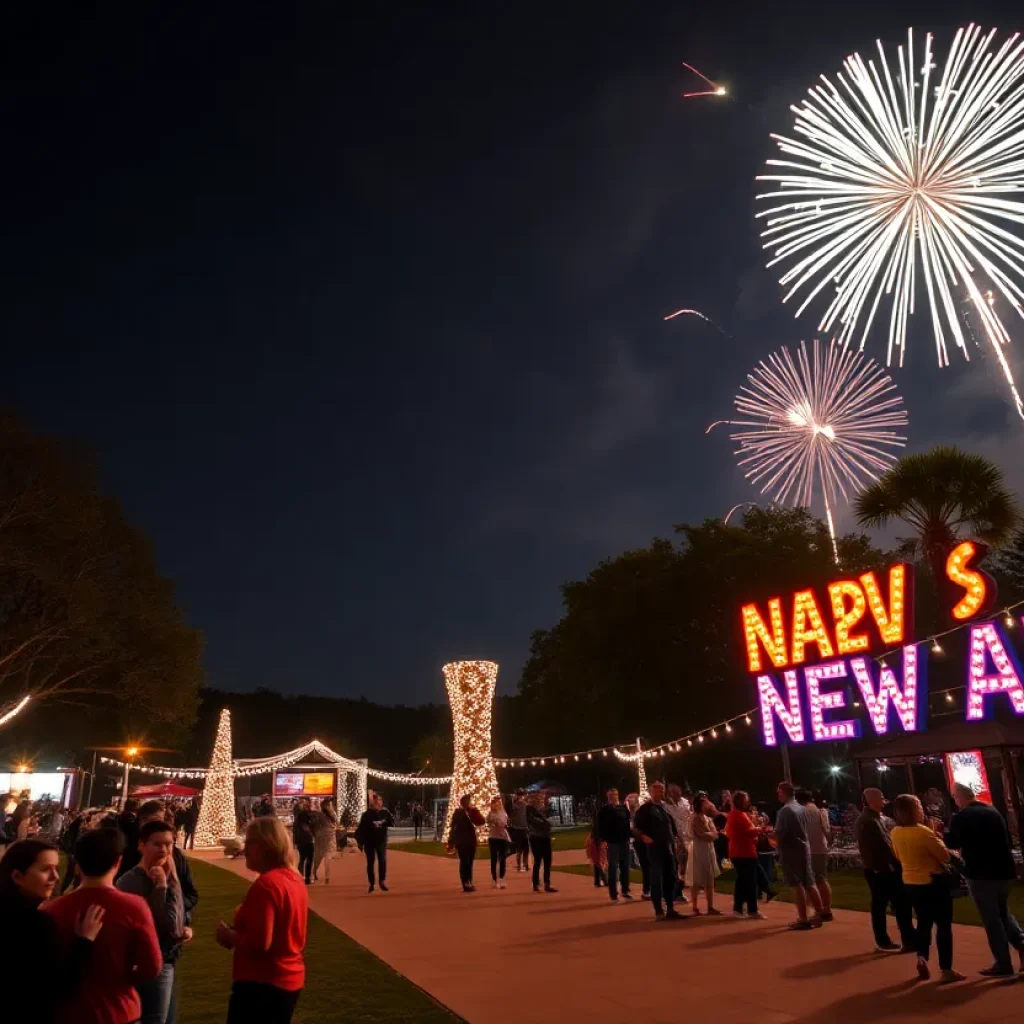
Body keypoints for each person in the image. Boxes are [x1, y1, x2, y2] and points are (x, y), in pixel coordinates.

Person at [43, 827, 163, 1024]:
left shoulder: (52, 910)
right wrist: (120, 980)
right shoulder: (134, 907)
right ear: (118, 862)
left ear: (77, 865)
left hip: (69, 1012)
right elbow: (151, 966)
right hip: (120, 1009)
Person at [0, 838, 105, 1023]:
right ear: (17, 876)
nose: (55, 876)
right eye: (45, 869)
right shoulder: (38, 924)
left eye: (55, 868)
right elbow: (63, 984)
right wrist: (85, 941)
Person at [215, 817, 308, 1024]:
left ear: (264, 846)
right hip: (288, 978)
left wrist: (228, 935)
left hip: (261, 983)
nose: (245, 850)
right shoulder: (293, 878)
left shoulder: (267, 885)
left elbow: (260, 943)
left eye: (249, 843)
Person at [117, 819, 191, 1024]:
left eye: (169, 844)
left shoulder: (167, 873)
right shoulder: (131, 881)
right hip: (150, 961)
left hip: (169, 958)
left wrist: (185, 925)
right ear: (142, 845)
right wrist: (162, 886)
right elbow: (167, 924)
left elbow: (176, 919)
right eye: (157, 844)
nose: (164, 849)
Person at [945, 782, 1023, 976]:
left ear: (959, 797)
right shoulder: (993, 812)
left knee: (992, 918)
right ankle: (1021, 942)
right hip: (1004, 871)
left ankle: (1003, 963)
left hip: (980, 874)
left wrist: (941, 831)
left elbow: (952, 843)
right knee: (1003, 911)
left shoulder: (960, 816)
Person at [890, 793, 964, 984]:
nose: (922, 809)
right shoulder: (923, 832)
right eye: (919, 807)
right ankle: (946, 969)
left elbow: (898, 856)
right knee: (943, 925)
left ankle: (922, 957)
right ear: (914, 810)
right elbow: (945, 857)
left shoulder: (896, 832)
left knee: (923, 922)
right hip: (933, 882)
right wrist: (938, 836)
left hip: (911, 882)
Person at [856, 787, 915, 953]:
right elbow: (878, 848)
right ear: (871, 800)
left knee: (887, 904)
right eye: (881, 798)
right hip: (880, 870)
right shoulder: (868, 820)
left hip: (881, 869)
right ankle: (895, 939)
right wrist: (889, 866)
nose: (884, 800)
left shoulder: (874, 818)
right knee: (891, 904)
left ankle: (901, 937)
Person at [774, 781, 825, 930]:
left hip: (790, 850)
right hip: (804, 847)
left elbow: (780, 833)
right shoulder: (801, 808)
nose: (777, 795)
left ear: (784, 792)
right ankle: (819, 913)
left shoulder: (785, 810)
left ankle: (803, 918)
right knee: (809, 882)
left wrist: (767, 835)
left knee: (797, 885)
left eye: (779, 792)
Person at [634, 781, 683, 921]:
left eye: (662, 790)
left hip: (668, 848)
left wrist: (678, 841)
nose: (660, 793)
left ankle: (670, 908)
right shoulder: (645, 809)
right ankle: (658, 910)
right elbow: (636, 828)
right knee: (657, 879)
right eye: (657, 790)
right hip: (655, 849)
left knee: (671, 878)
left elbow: (672, 828)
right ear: (651, 792)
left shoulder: (664, 808)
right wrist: (644, 837)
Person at [727, 791, 765, 919]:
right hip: (742, 852)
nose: (747, 802)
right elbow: (749, 831)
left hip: (744, 851)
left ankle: (746, 909)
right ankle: (746, 909)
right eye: (746, 799)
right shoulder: (737, 815)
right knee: (747, 882)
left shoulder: (738, 814)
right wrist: (761, 828)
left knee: (746, 881)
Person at [796, 789, 833, 919]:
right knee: (822, 879)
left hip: (808, 850)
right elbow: (827, 832)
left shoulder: (802, 812)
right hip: (821, 849)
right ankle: (826, 909)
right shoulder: (820, 811)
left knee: (808, 883)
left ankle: (814, 910)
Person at [596, 788, 633, 903]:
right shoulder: (604, 810)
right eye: (610, 795)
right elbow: (599, 826)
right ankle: (613, 894)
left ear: (617, 795)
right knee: (613, 868)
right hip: (612, 842)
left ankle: (625, 891)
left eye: (615, 795)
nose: (613, 797)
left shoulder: (623, 808)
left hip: (624, 841)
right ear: (607, 797)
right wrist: (602, 840)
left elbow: (627, 823)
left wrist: (630, 835)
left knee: (625, 867)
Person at [686, 794, 721, 915]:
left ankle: (710, 906)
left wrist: (711, 834)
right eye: (704, 803)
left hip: (708, 849)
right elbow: (702, 834)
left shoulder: (706, 818)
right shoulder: (695, 818)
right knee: (696, 877)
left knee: (709, 877)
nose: (707, 805)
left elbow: (714, 833)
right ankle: (695, 906)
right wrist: (711, 834)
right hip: (698, 849)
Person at [355, 793, 394, 893]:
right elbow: (361, 828)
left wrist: (383, 822)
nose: (378, 802)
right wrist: (359, 841)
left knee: (382, 860)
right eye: (376, 800)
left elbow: (392, 823)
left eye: (380, 800)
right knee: (370, 862)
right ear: (372, 802)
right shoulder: (367, 814)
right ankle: (372, 883)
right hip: (369, 841)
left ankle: (382, 881)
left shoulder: (385, 812)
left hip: (381, 840)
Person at [448, 794, 485, 892]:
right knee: (464, 862)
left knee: (470, 862)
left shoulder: (473, 811)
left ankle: (470, 881)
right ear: (462, 802)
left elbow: (481, 821)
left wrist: (476, 813)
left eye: (469, 801)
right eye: (467, 801)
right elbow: (453, 827)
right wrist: (451, 841)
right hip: (462, 841)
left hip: (471, 841)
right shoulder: (458, 813)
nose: (468, 802)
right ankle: (465, 882)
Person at [664, 785, 691, 903]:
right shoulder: (664, 805)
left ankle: (678, 890)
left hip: (687, 838)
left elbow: (689, 817)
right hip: (674, 839)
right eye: (673, 791)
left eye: (677, 791)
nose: (676, 793)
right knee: (675, 866)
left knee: (685, 867)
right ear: (669, 793)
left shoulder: (685, 802)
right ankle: (676, 892)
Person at [526, 793, 557, 893]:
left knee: (547, 861)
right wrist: (545, 823)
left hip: (545, 837)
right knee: (538, 861)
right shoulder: (530, 811)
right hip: (536, 838)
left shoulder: (542, 811)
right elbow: (539, 823)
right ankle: (536, 883)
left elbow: (548, 824)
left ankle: (546, 884)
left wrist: (545, 822)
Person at [625, 792, 650, 898]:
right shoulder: (631, 813)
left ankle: (649, 889)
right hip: (639, 841)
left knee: (648, 866)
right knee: (646, 866)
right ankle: (647, 890)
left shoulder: (640, 811)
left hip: (644, 841)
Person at [485, 795, 510, 889]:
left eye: (499, 802)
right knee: (494, 859)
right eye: (495, 802)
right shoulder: (491, 813)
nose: (497, 803)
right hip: (493, 838)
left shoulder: (504, 813)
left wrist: (506, 825)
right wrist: (494, 821)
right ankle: (494, 879)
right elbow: (488, 820)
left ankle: (502, 878)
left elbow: (506, 822)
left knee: (502, 859)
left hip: (502, 838)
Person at [313, 798, 337, 884]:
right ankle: (327, 877)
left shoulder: (319, 815)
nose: (331, 806)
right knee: (327, 856)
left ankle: (314, 871)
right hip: (329, 835)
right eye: (330, 804)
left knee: (318, 855)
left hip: (320, 835)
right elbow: (335, 823)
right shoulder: (332, 814)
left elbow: (315, 825)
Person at [291, 798, 315, 885]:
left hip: (300, 841)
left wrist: (295, 842)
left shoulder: (296, 821)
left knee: (302, 858)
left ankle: (300, 877)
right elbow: (312, 823)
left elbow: (295, 832)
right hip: (307, 840)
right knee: (309, 858)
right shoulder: (306, 816)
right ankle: (307, 878)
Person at [508, 790, 530, 872]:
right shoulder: (513, 805)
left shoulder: (525, 805)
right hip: (517, 829)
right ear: (516, 795)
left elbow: (526, 815)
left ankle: (526, 864)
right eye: (519, 795)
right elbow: (510, 815)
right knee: (519, 849)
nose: (520, 797)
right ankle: (518, 865)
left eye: (521, 795)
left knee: (526, 848)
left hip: (524, 828)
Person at [585, 817, 607, 888]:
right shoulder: (600, 828)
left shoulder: (594, 829)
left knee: (596, 864)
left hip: (594, 847)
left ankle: (597, 882)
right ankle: (604, 880)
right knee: (599, 864)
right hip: (597, 847)